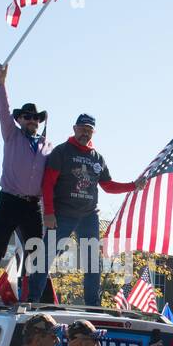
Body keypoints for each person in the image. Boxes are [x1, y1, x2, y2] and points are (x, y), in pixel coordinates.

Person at [40, 113, 145, 306]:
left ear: (93, 133)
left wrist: (133, 185)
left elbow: (108, 186)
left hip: (88, 216)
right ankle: (33, 299)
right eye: (82, 129)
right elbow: (47, 183)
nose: (85, 133)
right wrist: (48, 212)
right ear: (74, 128)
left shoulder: (97, 158)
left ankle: (92, 304)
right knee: (45, 256)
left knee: (92, 263)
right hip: (62, 214)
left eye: (89, 130)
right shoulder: (62, 151)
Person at [0, 62, 52, 303]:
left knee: (37, 254)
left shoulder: (46, 146)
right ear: (20, 119)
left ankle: (44, 299)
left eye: (35, 118)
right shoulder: (11, 134)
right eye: (27, 117)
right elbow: (2, 110)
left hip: (33, 205)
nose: (32, 121)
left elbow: (54, 177)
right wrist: (1, 83)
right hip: (9, 200)